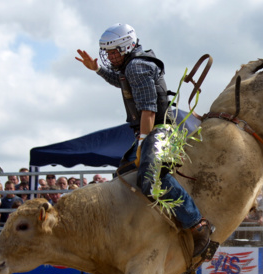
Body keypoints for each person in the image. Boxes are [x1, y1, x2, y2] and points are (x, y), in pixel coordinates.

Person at [76, 23, 213, 256]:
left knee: (150, 178)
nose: (110, 56)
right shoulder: (132, 64)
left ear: (127, 46)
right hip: (153, 129)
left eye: (113, 52)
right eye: (107, 53)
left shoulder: (137, 67)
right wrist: (97, 69)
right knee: (124, 172)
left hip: (158, 130)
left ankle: (197, 225)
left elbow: (148, 111)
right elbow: (123, 83)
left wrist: (142, 144)